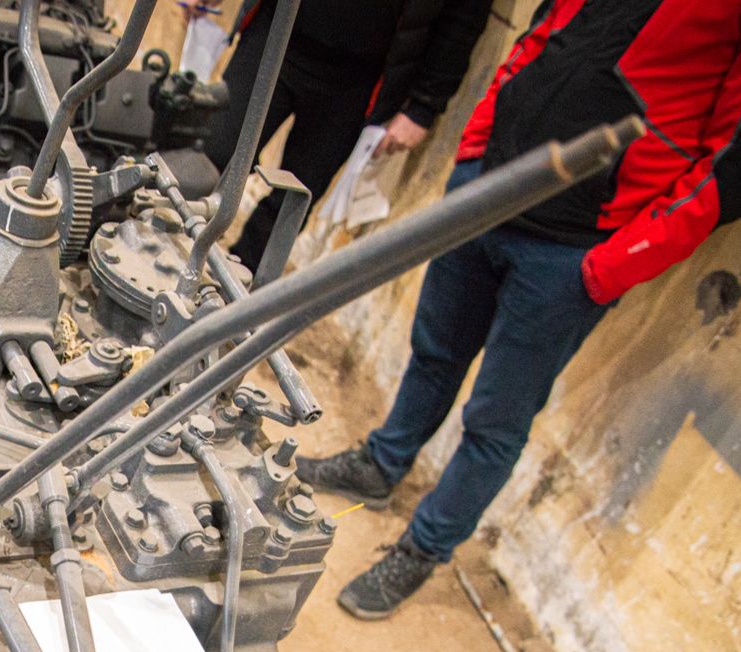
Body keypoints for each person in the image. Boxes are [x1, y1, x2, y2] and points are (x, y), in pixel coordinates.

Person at [297, 0, 741, 620]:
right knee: (435, 352)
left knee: (496, 420)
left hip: (576, 250)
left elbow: (727, 166)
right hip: (488, 191)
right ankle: (380, 465)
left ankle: (423, 548)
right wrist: (474, 154)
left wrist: (615, 263)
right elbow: (542, 32)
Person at [204, 0, 492, 269]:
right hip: (276, 31)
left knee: (289, 207)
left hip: (358, 78)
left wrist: (424, 106)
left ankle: (236, 293)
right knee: (210, 157)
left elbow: (465, 14)